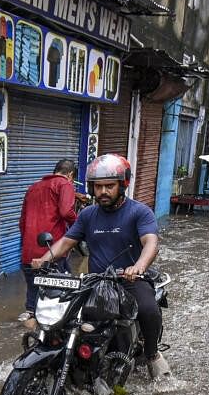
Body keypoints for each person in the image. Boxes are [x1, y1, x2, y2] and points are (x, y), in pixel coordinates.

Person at [30, 154, 169, 378]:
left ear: (122, 185)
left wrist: (139, 266)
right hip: (96, 282)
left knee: (148, 309)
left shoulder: (140, 212)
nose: (103, 192)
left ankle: (152, 354)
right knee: (65, 318)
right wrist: (44, 258)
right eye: (98, 186)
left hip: (129, 280)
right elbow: (66, 242)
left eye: (109, 186)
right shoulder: (87, 214)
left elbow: (151, 243)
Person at [18, 158, 81, 322]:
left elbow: (22, 223)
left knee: (33, 287)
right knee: (59, 290)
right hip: (51, 248)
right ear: (70, 175)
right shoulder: (64, 184)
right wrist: (80, 225)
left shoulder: (33, 187)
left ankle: (31, 312)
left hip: (29, 249)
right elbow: (66, 212)